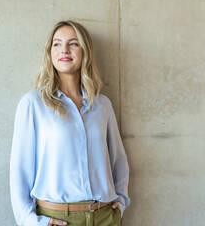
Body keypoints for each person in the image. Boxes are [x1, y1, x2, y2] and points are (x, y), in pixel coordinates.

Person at [10, 20, 130, 226]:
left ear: (85, 51)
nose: (64, 50)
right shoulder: (33, 104)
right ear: (49, 52)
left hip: (105, 217)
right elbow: (20, 170)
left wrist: (121, 202)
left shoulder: (102, 105)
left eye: (73, 43)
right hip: (57, 219)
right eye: (57, 44)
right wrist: (31, 221)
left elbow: (118, 160)